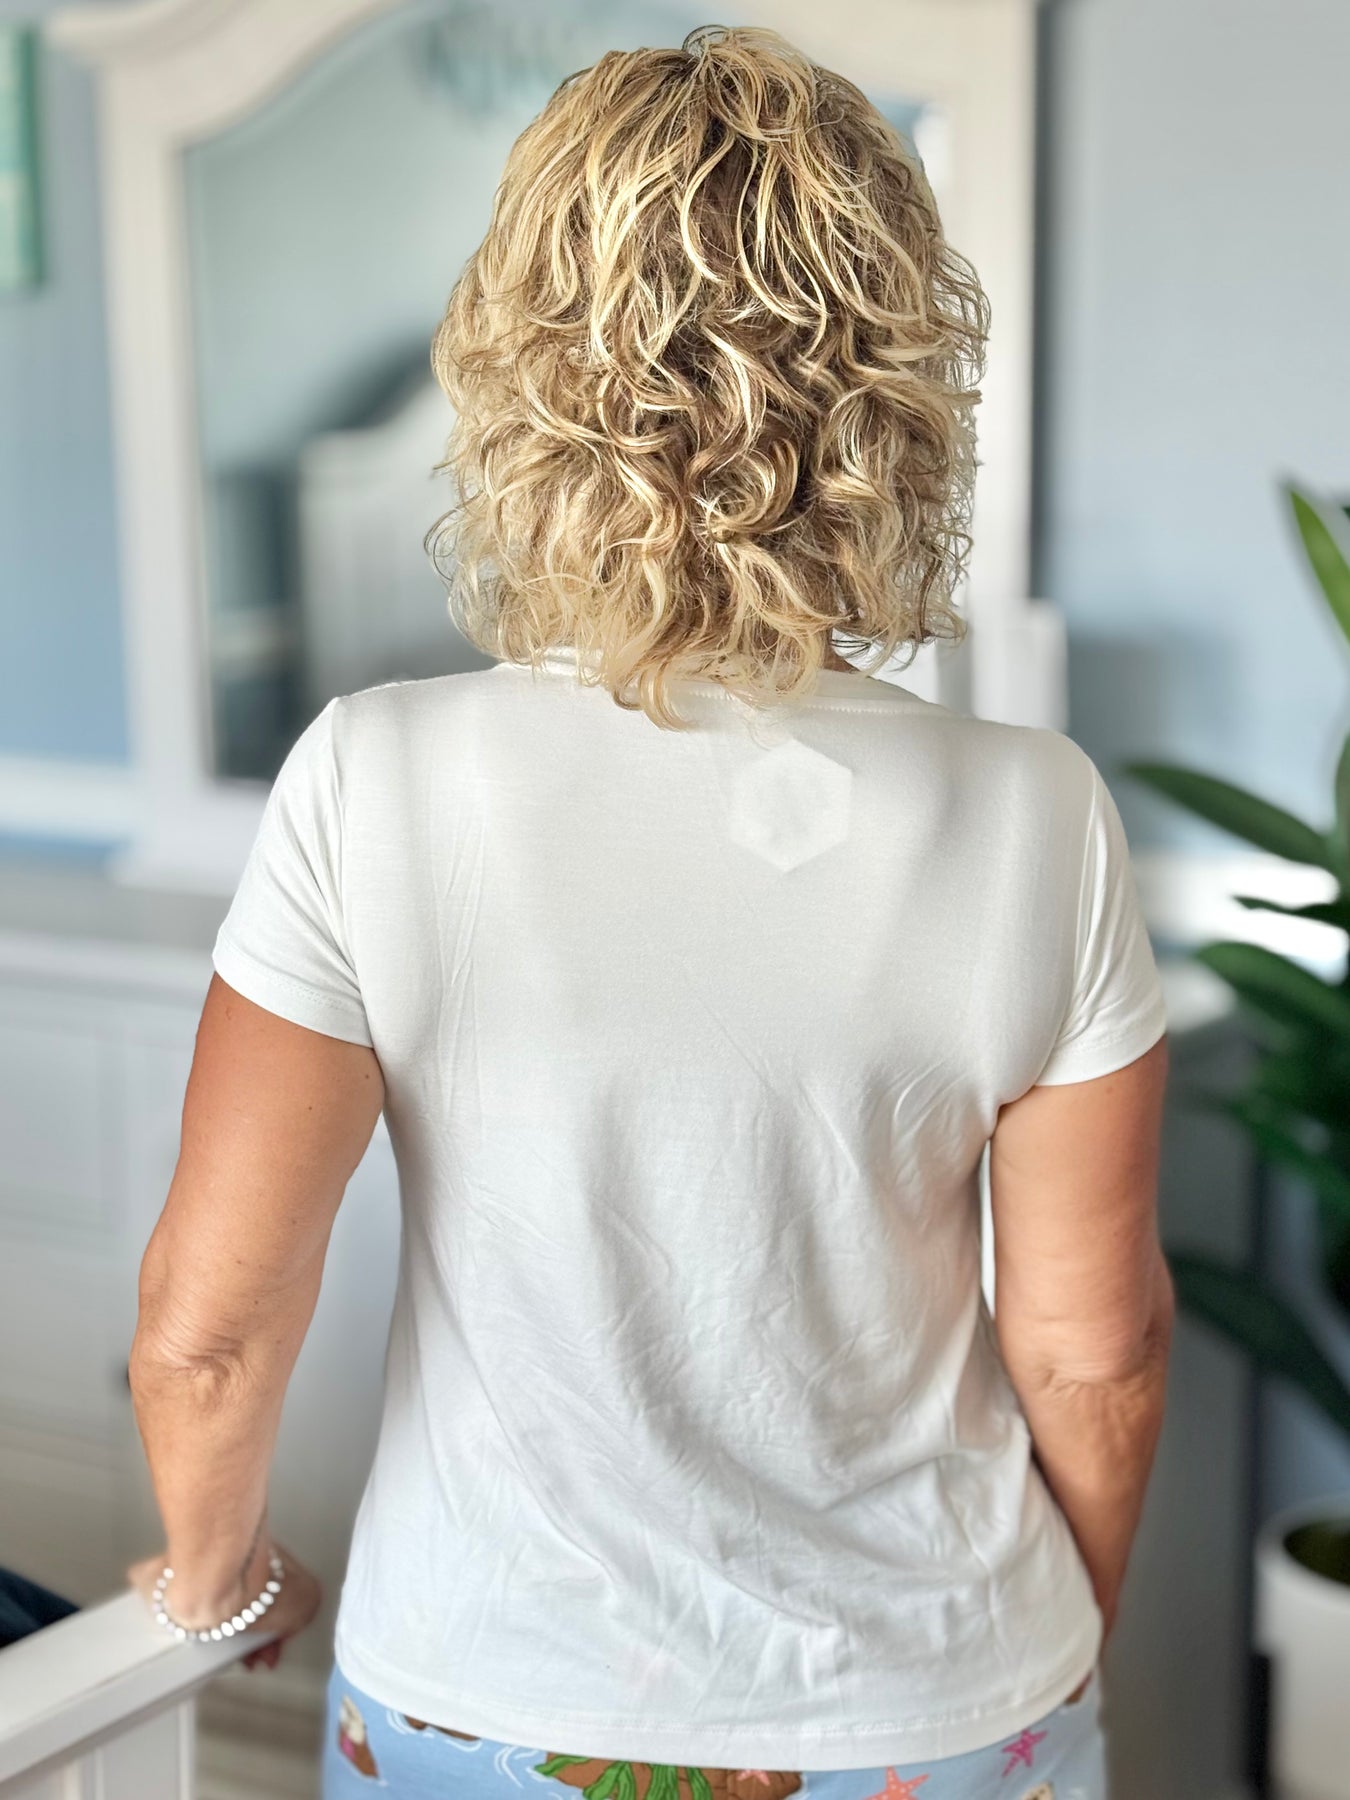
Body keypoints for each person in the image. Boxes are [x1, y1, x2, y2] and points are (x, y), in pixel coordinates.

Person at [125, 25, 1172, 1800]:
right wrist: (1050, 1637)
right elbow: (1094, 1355)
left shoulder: (374, 779)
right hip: (939, 1701)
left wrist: (217, 1579)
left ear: (522, 367)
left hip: (485, 1698)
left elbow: (208, 1328)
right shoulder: (1034, 811)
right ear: (893, 383)